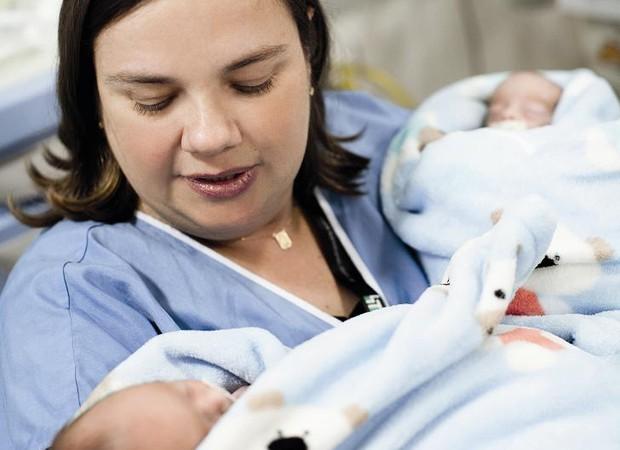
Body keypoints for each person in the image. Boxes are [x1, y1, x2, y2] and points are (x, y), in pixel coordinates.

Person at [0, 1, 428, 448]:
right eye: (154, 101)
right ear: (95, 100)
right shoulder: (74, 314)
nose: (211, 136)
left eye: (252, 83)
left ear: (307, 47)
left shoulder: (378, 136)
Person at [418, 71, 563, 147]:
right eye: (497, 107)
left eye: (531, 110)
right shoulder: (477, 139)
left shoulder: (551, 149)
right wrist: (439, 143)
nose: (508, 113)